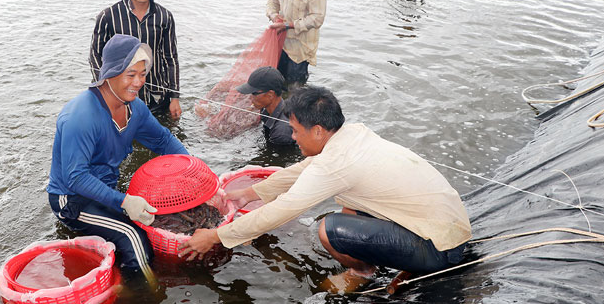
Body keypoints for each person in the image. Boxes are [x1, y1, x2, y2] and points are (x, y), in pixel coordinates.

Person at [179, 86, 471, 293]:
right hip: (451, 227)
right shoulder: (352, 135)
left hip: (441, 249)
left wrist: (217, 236)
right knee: (349, 207)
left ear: (318, 130)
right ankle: (392, 260)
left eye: (296, 131)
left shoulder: (334, 165)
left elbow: (283, 211)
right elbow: (303, 170)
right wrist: (249, 193)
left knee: (330, 228)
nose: (292, 138)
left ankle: (362, 273)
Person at [49, 34, 189, 279]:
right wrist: (125, 202)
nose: (138, 82)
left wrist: (193, 168)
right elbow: (76, 178)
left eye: (142, 74)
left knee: (160, 218)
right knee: (132, 236)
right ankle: (148, 298)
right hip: (72, 198)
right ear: (110, 73)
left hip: (106, 186)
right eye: (130, 74)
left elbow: (163, 140)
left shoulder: (135, 108)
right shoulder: (80, 117)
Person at [89, 0, 182, 119]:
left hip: (157, 96)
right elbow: (95, 57)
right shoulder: (108, 16)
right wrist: (105, 89)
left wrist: (174, 97)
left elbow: (171, 58)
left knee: (161, 138)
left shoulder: (164, 17)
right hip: (119, 96)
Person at [235, 66, 294, 146]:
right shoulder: (266, 109)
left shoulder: (281, 132)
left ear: (270, 94)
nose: (250, 98)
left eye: (254, 93)